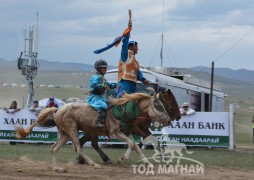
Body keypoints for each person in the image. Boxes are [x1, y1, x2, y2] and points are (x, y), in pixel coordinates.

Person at [117, 20, 149, 97]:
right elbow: (124, 43)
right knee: (123, 102)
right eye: (136, 46)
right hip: (125, 83)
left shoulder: (135, 62)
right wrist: (128, 29)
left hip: (133, 85)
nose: (137, 48)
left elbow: (138, 73)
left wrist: (143, 79)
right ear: (130, 46)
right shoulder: (125, 55)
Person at [87, 59, 117, 128]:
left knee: (111, 104)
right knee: (104, 106)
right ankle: (99, 122)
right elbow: (95, 87)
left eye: (106, 68)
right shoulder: (96, 77)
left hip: (101, 97)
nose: (106, 69)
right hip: (94, 97)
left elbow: (110, 85)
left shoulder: (103, 78)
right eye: (104, 68)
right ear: (99, 69)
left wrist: (117, 85)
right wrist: (103, 88)